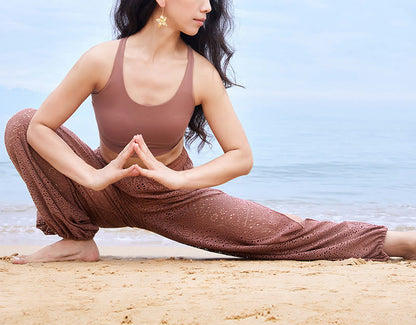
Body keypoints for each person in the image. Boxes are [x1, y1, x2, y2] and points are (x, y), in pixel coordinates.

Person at [4, 0, 416, 264]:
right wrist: (93, 176)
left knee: (277, 234)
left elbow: (241, 155)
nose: (207, 7)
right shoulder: (100, 60)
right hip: (105, 190)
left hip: (174, 198)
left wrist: (176, 178)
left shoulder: (201, 75)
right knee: (21, 121)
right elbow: (40, 127)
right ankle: (76, 241)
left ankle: (398, 242)